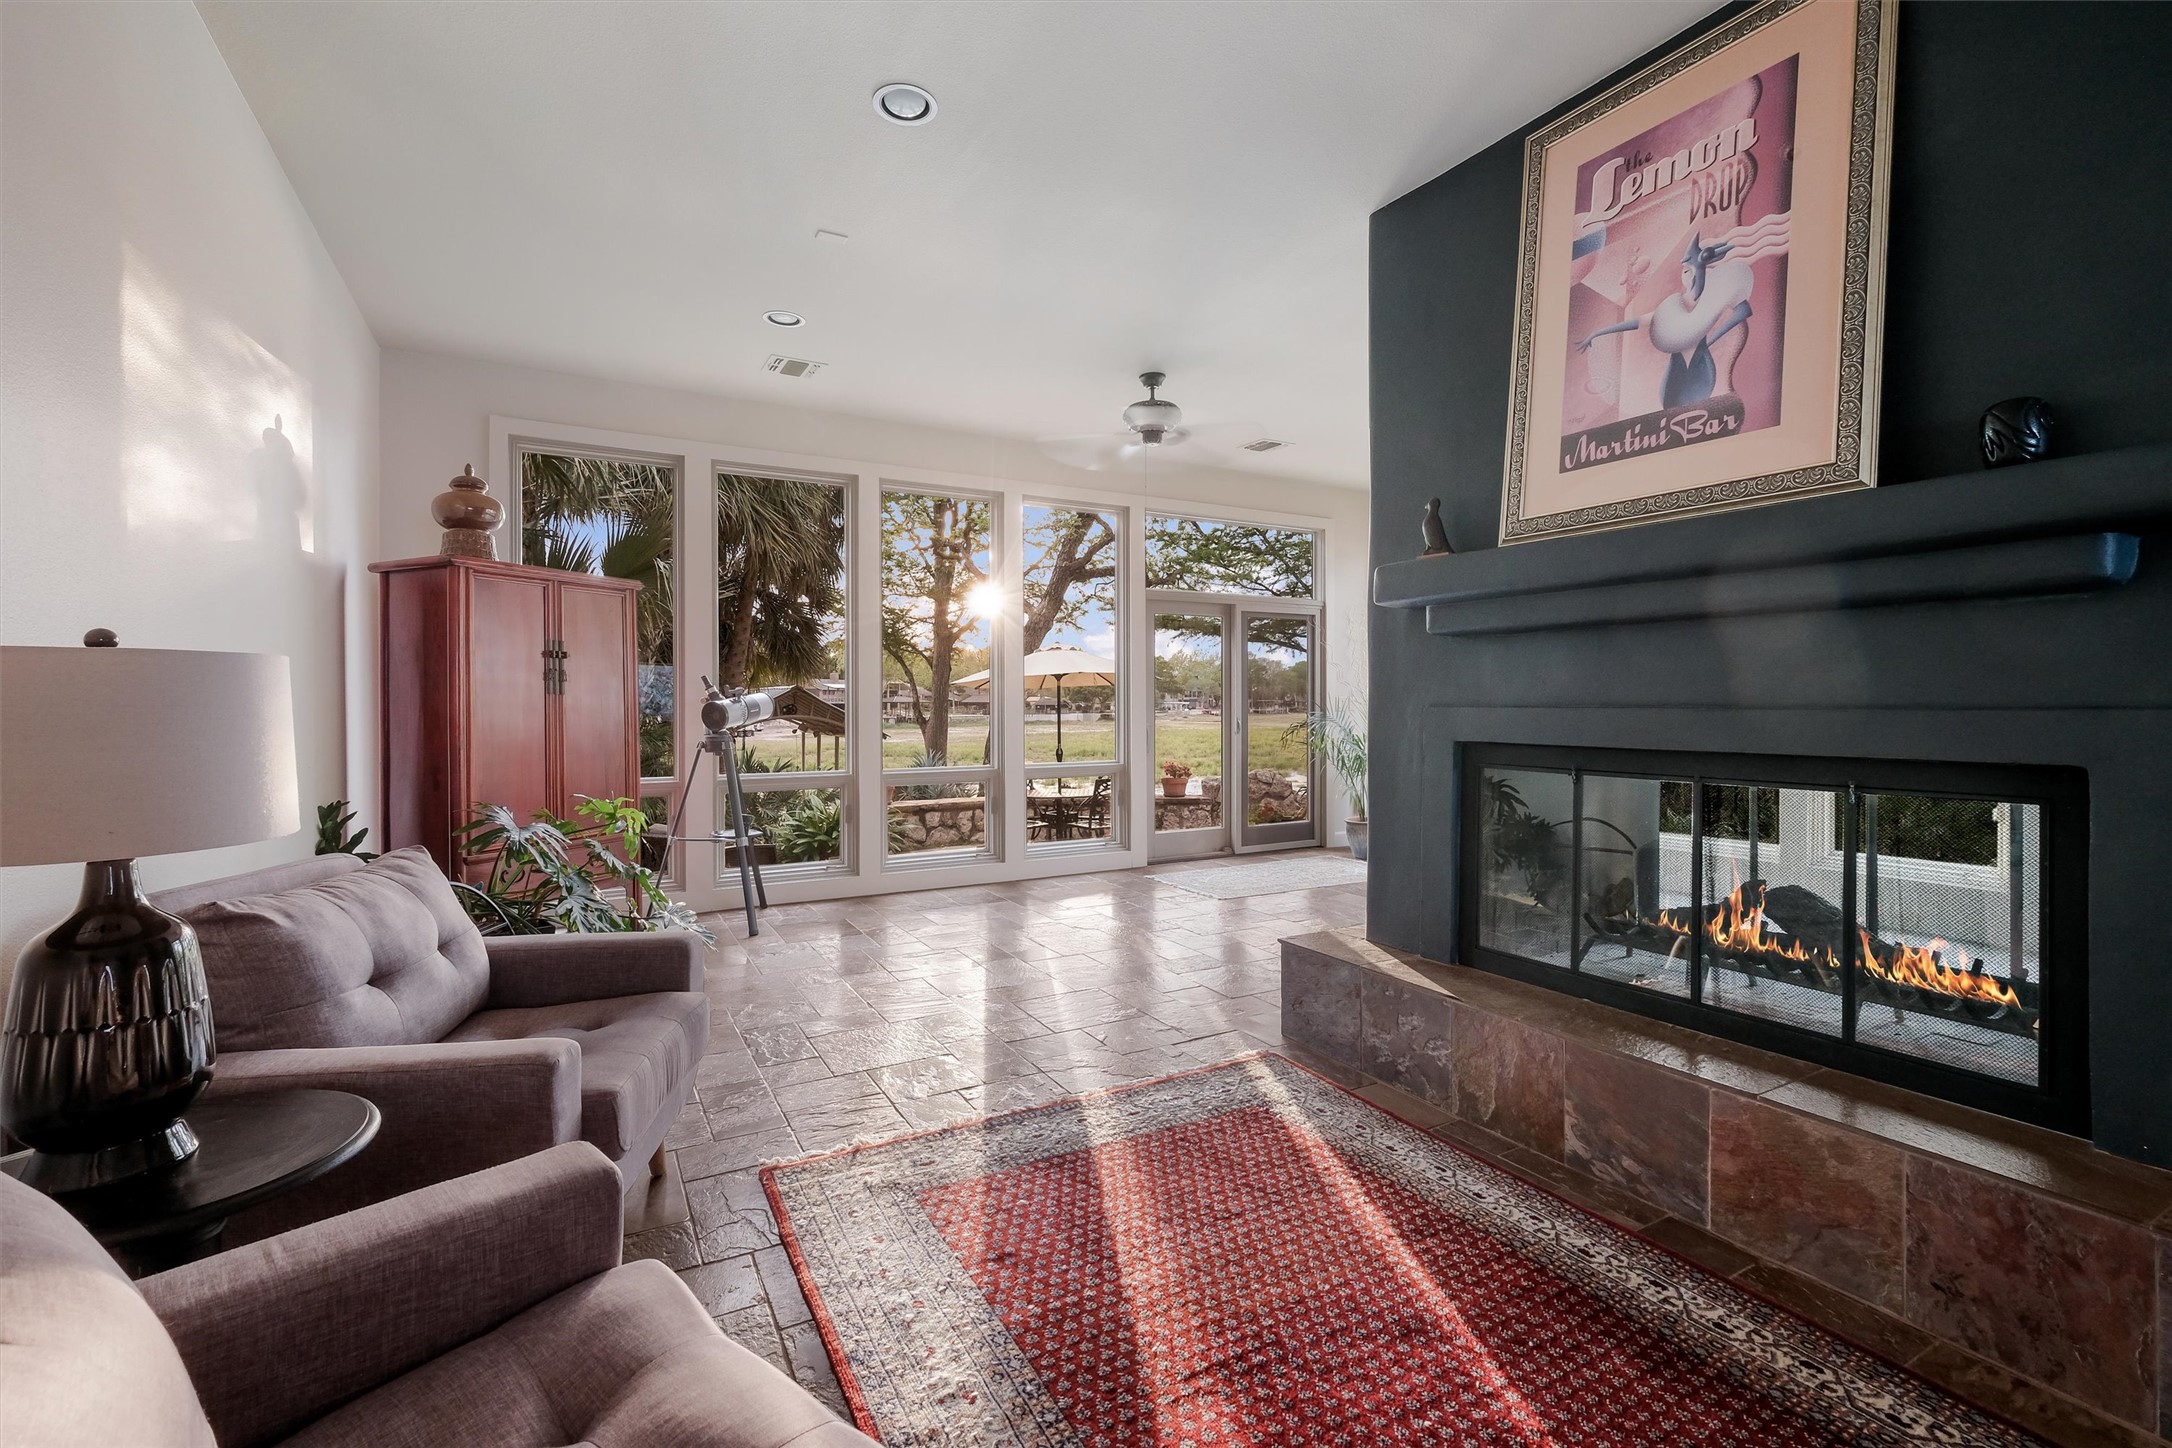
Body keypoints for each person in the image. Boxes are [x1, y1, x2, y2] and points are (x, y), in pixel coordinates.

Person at [1576, 233, 1754, 409]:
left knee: (1698, 408)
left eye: (1694, 270)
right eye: (1686, 271)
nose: (1690, 276)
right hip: (1677, 370)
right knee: (1671, 406)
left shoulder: (1709, 303)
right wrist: (1597, 333)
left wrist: (1712, 339)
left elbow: (1743, 311)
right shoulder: (1673, 306)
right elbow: (1637, 322)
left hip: (1700, 366)